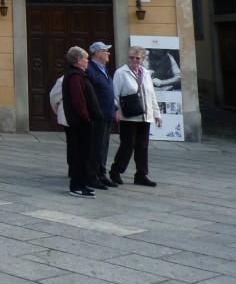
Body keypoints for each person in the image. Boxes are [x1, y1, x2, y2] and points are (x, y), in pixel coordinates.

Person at [111, 45, 162, 187]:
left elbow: (151, 95)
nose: (134, 60)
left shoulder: (146, 73)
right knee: (127, 145)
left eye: (137, 58)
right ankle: (116, 171)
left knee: (142, 146)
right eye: (131, 57)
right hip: (129, 115)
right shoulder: (121, 73)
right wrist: (115, 110)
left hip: (145, 116)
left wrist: (157, 114)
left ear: (143, 59)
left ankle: (141, 175)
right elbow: (114, 94)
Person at [62, 46, 102, 198]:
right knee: (81, 155)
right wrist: (86, 117)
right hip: (80, 123)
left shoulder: (78, 75)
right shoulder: (75, 77)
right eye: (86, 59)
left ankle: (82, 184)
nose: (88, 61)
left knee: (85, 154)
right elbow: (79, 101)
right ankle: (77, 186)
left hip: (82, 121)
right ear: (78, 60)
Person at [85, 42, 118, 189]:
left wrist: (115, 108)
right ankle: (91, 176)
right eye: (106, 51)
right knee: (95, 147)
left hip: (107, 113)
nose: (108, 53)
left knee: (103, 146)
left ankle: (101, 174)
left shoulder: (103, 69)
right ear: (97, 53)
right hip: (98, 115)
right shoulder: (90, 69)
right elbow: (90, 94)